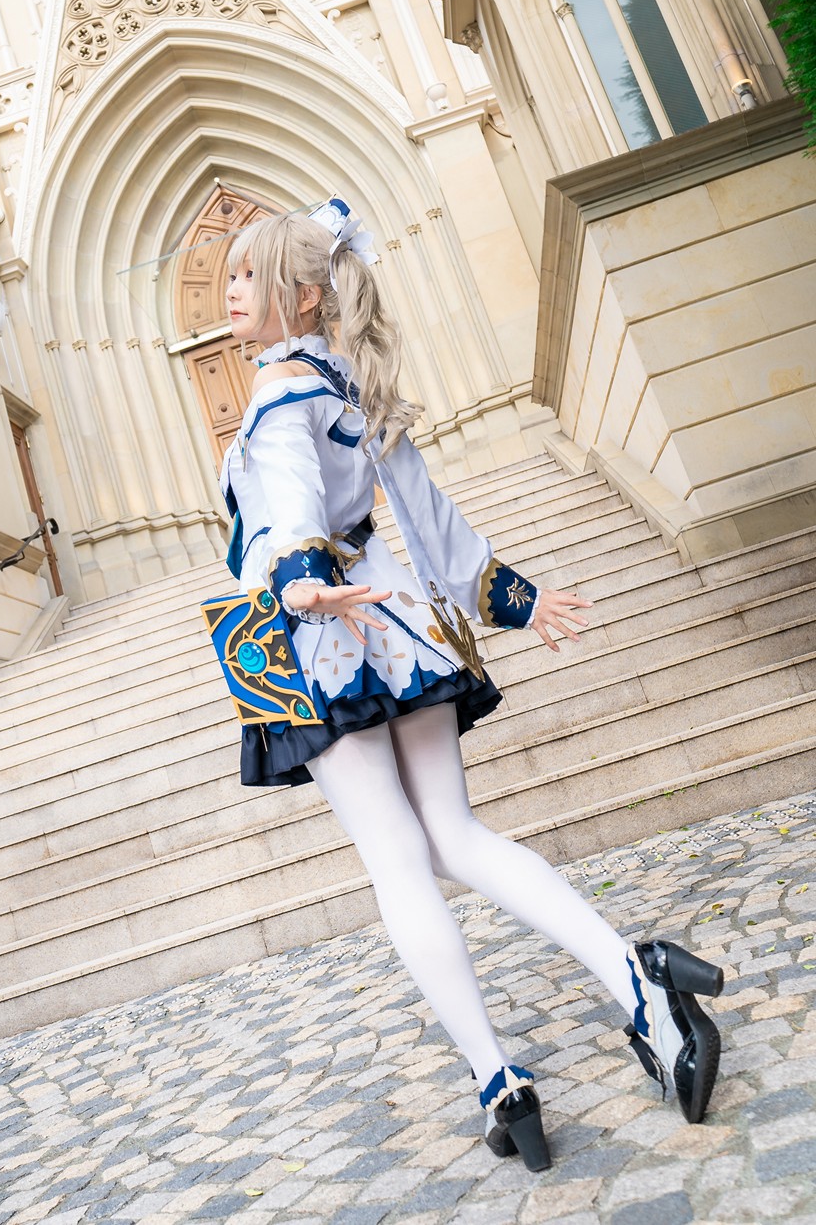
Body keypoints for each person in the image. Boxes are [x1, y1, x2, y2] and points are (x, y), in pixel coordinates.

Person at [215, 199, 724, 1172]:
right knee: (454, 835)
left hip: (320, 635)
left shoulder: (278, 389)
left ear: (304, 295)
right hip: (394, 618)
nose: (228, 293)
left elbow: (287, 510)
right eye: (229, 277)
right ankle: (639, 981)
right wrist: (514, 597)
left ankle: (500, 1082)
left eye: (248, 276)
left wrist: (301, 582)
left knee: (398, 860)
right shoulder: (350, 381)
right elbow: (429, 516)